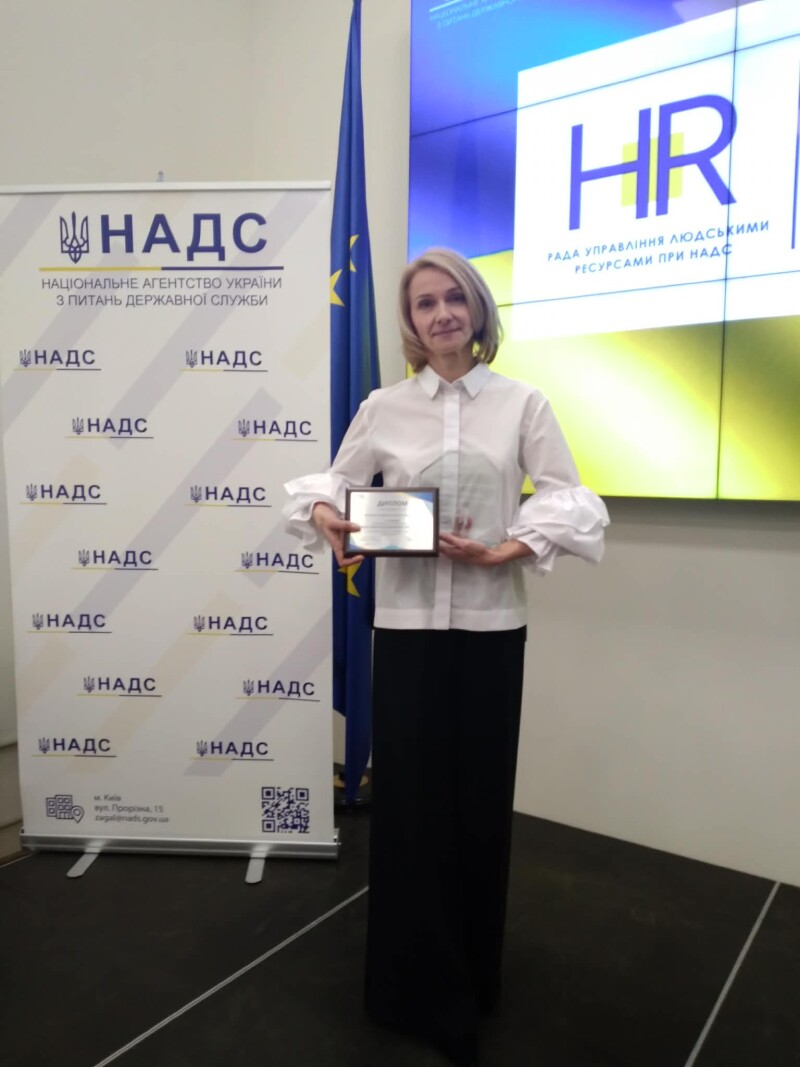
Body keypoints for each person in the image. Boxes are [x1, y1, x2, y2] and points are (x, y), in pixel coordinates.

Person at [284, 248, 609, 1064]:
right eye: (425, 303)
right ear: (411, 321)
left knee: (479, 810)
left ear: (477, 309)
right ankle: (408, 990)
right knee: (410, 814)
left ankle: (472, 980)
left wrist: (508, 548)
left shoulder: (523, 403)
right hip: (405, 633)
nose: (441, 314)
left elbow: (570, 498)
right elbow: (331, 483)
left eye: (453, 298)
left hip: (493, 632)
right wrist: (325, 515)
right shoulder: (384, 406)